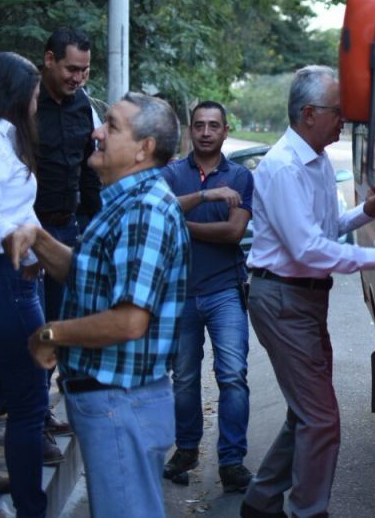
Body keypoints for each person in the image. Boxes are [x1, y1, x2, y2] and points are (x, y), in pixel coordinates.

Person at [8, 92, 189, 518]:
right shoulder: (125, 203)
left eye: (112, 125)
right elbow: (88, 275)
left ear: (144, 149)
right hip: (112, 403)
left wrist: (49, 333)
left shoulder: (145, 211)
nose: (96, 132)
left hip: (119, 403)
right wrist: (38, 237)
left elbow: (128, 321)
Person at [240, 65, 375, 518]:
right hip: (284, 298)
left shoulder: (317, 159)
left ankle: (262, 501)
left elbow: (327, 229)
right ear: (309, 114)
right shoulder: (284, 167)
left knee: (307, 412)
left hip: (301, 299)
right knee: (321, 418)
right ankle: (306, 511)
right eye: (337, 112)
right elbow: (309, 250)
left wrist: (368, 210)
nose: (344, 121)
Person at [162, 101, 254, 492]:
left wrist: (183, 225)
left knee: (232, 376)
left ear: (225, 131)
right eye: (198, 125)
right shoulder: (170, 173)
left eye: (213, 126)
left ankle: (232, 461)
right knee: (183, 379)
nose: (204, 132)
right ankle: (186, 450)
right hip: (180, 292)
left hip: (225, 291)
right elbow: (160, 213)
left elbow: (234, 233)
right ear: (190, 131)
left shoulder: (240, 178)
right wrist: (200, 204)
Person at [0, 52, 48, 518]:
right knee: (29, 403)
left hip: (13, 277)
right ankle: (29, 509)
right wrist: (22, 245)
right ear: (17, 94)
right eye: (36, 91)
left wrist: (40, 242)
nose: (38, 101)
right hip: (4, 279)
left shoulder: (5, 142)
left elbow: (20, 210)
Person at [34, 27, 102, 463]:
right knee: (31, 322)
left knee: (57, 324)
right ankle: (33, 419)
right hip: (26, 232)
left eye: (85, 70)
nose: (78, 77)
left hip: (68, 228)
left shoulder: (85, 108)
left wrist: (92, 227)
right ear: (49, 60)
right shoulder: (24, 103)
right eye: (72, 68)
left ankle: (43, 409)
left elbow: (90, 172)